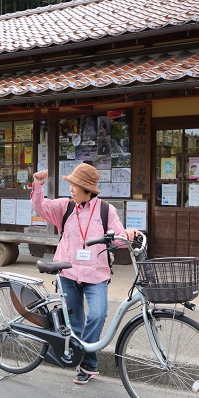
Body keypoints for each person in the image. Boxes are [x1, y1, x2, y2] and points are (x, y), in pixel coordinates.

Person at [31, 163, 138, 385]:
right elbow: (40, 206)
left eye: (75, 186)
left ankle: (84, 358)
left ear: (88, 189)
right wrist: (38, 185)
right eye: (71, 185)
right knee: (75, 322)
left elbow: (118, 237)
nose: (71, 189)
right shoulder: (65, 207)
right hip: (67, 272)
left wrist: (127, 234)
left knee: (98, 315)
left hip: (96, 275)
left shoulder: (106, 210)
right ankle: (87, 364)